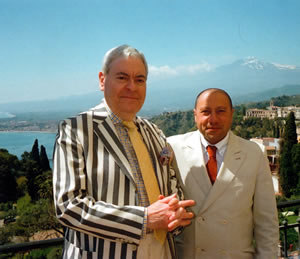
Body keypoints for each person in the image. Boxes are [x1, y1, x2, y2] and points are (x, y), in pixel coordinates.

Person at [52, 44, 194, 259]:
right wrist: (144, 219)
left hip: (161, 251)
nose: (132, 87)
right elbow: (68, 206)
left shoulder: (154, 132)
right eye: (122, 78)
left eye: (139, 80)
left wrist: (177, 212)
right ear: (102, 80)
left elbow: (172, 185)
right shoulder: (76, 129)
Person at [167, 88, 279, 259]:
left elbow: (266, 223)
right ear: (195, 115)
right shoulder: (172, 148)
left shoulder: (254, 153)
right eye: (206, 112)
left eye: (221, 111)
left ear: (232, 114)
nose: (213, 119)